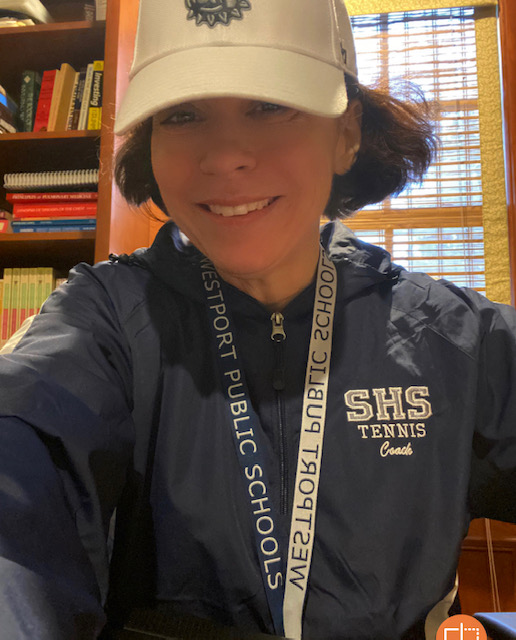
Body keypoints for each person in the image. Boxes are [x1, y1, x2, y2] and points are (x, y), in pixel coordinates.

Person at [0, 0, 515, 638]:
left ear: (346, 133)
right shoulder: (105, 320)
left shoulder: (453, 338)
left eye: (270, 105)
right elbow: (20, 460)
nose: (224, 157)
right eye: (182, 114)